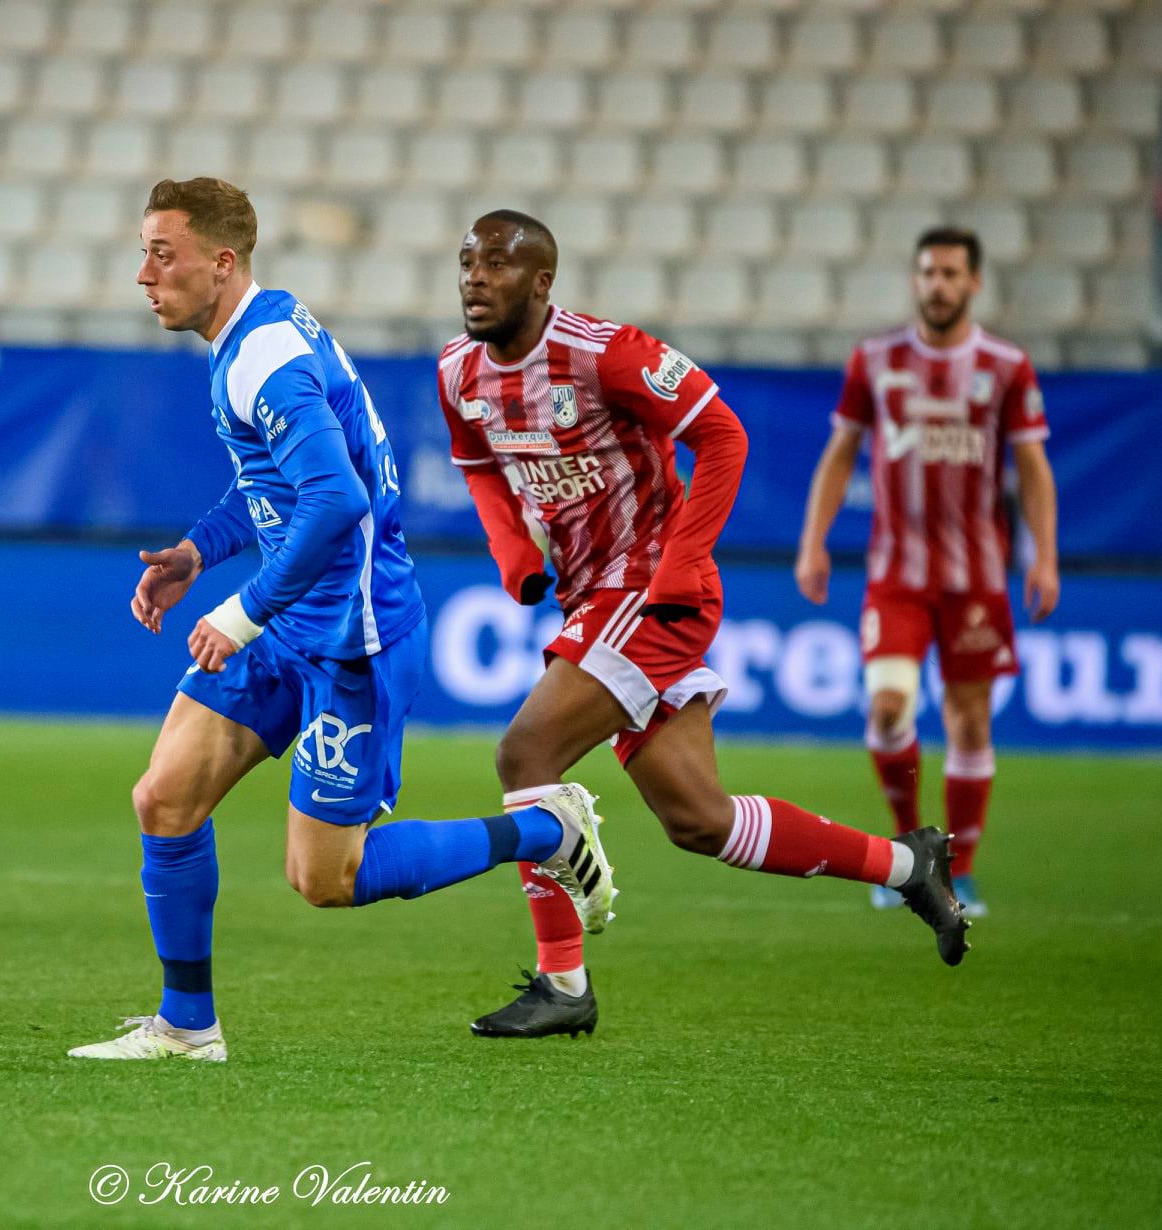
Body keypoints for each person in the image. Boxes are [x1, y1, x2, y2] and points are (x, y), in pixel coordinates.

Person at [68, 180, 613, 1063]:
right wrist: (200, 553)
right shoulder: (254, 332)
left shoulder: (263, 357)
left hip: (350, 637)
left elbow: (334, 497)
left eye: (161, 254)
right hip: (294, 615)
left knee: (325, 879)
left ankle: (549, 833)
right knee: (164, 799)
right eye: (144, 252)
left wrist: (242, 611)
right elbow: (277, 490)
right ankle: (187, 1029)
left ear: (221, 261)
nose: (143, 274)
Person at [443, 211, 971, 1038]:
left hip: (649, 590)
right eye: (468, 260)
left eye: (499, 264)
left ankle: (564, 984)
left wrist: (685, 559)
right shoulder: (458, 371)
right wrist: (513, 546)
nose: (476, 276)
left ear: (542, 282)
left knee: (525, 753)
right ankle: (911, 864)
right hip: (592, 596)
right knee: (700, 820)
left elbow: (723, 435)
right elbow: (477, 465)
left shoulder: (607, 352)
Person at [796, 227, 1059, 918]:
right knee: (887, 708)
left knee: (969, 724)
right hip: (897, 575)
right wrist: (813, 541)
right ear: (915, 281)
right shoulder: (876, 360)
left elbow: (1033, 468)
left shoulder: (1005, 365)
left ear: (973, 282)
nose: (937, 284)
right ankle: (912, 858)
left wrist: (1045, 556)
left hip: (976, 579)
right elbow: (839, 452)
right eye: (927, 273)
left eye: (950, 273)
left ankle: (960, 871)